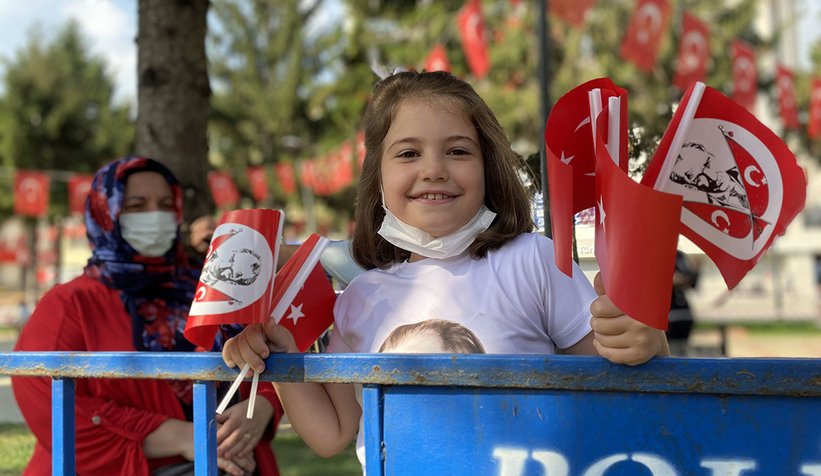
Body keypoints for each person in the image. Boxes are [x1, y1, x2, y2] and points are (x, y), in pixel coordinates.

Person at [220, 71, 669, 469]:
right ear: (377, 178)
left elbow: (620, 384)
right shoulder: (359, 297)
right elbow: (333, 432)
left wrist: (647, 342)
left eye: (457, 150)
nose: (433, 170)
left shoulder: (534, 259)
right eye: (408, 154)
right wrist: (276, 360)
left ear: (488, 168)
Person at [12, 156, 283, 476]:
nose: (155, 215)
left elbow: (271, 349)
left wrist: (262, 409)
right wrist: (181, 437)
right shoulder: (70, 303)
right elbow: (45, 399)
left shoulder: (212, 285)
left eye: (166, 204)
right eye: (137, 206)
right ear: (104, 213)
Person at [667, 250, 700, 356]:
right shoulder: (658, 252)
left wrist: (696, 270)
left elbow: (691, 281)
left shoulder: (679, 255)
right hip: (668, 313)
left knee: (683, 350)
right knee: (670, 350)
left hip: (683, 313)